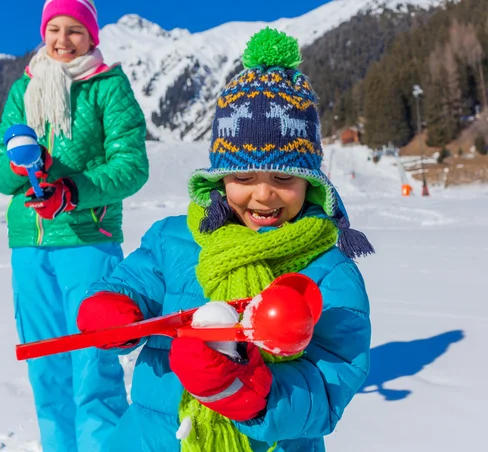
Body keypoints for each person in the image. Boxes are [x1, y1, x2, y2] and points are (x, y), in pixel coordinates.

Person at [76, 28, 372, 452]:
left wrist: (247, 392)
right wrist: (114, 307)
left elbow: (332, 381)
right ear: (219, 179)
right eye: (244, 177)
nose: (263, 194)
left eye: (284, 178)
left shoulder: (328, 272)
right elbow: (131, 284)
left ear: (312, 183)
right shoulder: (174, 239)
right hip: (151, 438)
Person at [0, 0, 148, 450]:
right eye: (53, 28)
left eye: (74, 29)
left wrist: (70, 192)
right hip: (30, 247)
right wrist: (18, 169)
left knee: (94, 364)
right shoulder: (24, 89)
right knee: (45, 365)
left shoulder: (108, 87)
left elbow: (131, 167)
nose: (62, 39)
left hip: (88, 240)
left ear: (92, 36)